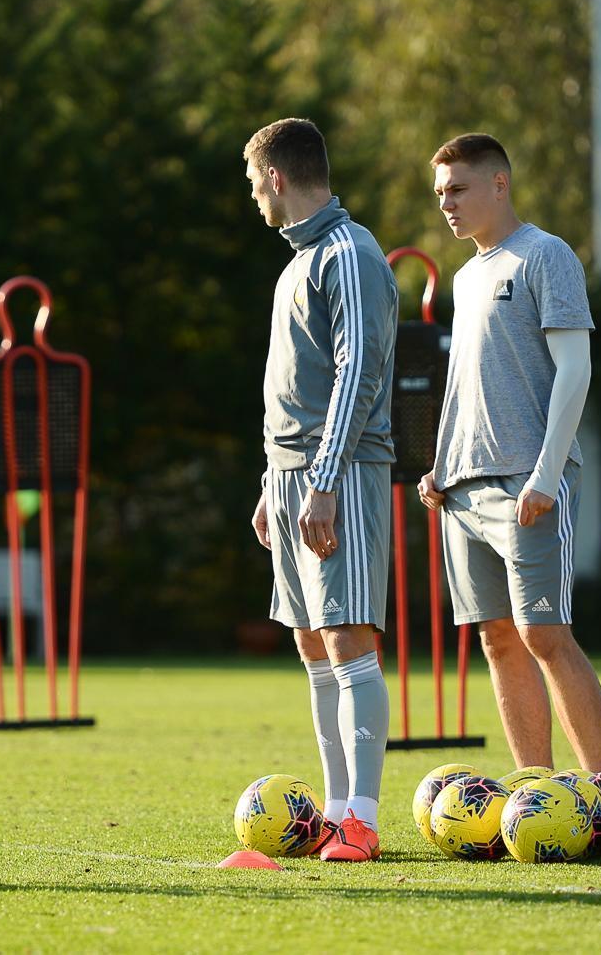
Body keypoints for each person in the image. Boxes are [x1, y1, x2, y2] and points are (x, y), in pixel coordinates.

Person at [416, 132, 601, 771]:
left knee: (544, 634)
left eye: (458, 189)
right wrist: (441, 464)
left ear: (499, 184)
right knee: (498, 640)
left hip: (528, 481)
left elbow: (576, 369)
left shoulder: (545, 254)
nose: (446, 204)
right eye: (440, 193)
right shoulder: (466, 275)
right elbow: (466, 382)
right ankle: (538, 793)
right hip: (462, 488)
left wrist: (547, 475)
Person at [245, 118, 398, 861]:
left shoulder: (349, 252)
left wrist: (325, 478)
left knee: (347, 637)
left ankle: (362, 820)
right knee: (312, 644)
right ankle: (333, 815)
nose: (254, 196)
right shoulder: (298, 262)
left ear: (277, 177)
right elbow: (296, 385)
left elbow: (357, 372)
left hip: (340, 474)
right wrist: (271, 482)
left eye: (254, 183)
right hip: (291, 477)